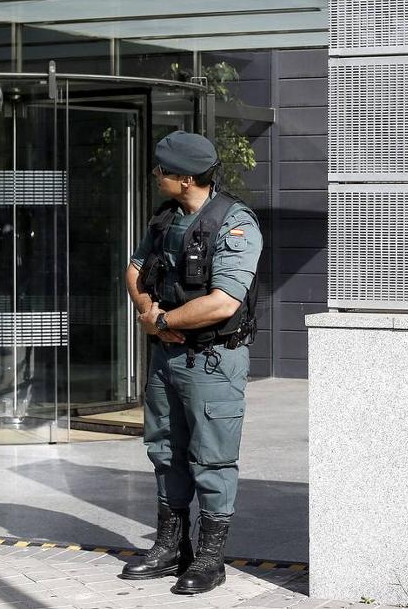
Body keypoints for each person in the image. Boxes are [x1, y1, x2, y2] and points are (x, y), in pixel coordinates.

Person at [120, 130, 262, 595]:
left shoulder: (235, 224)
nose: (156, 175)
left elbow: (223, 302)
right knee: (165, 450)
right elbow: (135, 269)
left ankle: (210, 557)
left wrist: (161, 318)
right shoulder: (166, 218)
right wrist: (152, 315)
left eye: (162, 171)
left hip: (213, 359)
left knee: (212, 458)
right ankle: (170, 547)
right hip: (168, 355)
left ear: (184, 179)